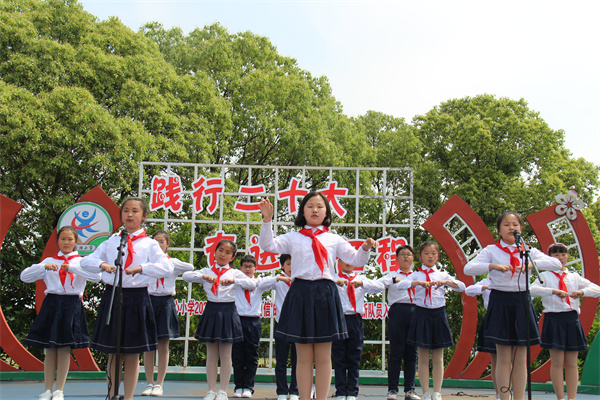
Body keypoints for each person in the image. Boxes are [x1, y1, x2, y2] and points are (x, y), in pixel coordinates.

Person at [258, 193, 378, 400]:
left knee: (323, 356)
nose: (315, 210)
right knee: (303, 356)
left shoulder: (334, 239)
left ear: (327, 212)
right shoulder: (293, 237)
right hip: (300, 293)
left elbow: (356, 259)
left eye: (320, 206)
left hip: (325, 294)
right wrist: (267, 219)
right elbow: (268, 245)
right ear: (302, 212)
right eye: (310, 206)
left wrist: (365, 248)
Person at [81, 197, 174, 400]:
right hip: (113, 295)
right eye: (125, 211)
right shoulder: (112, 241)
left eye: (134, 211)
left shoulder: (150, 244)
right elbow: (86, 262)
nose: (129, 215)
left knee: (132, 352)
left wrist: (142, 268)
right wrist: (102, 265)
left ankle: (129, 397)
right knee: (113, 351)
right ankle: (111, 395)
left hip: (137, 298)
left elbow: (167, 267)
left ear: (144, 216)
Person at [464, 211, 562, 400]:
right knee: (503, 356)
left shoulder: (528, 251)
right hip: (500, 301)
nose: (511, 228)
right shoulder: (491, 250)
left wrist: (531, 265)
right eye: (507, 225)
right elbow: (468, 268)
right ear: (499, 230)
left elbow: (556, 263)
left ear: (521, 229)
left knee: (520, 357)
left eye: (515, 225)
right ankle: (504, 397)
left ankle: (519, 397)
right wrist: (492, 266)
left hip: (521, 301)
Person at [20, 226, 101, 400]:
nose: (66, 242)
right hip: (52, 304)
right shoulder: (50, 260)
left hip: (71, 304)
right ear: (57, 241)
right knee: (50, 348)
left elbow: (96, 277)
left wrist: (73, 268)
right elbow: (24, 277)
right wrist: (44, 268)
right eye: (63, 239)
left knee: (64, 348)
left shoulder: (81, 262)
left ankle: (59, 390)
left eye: (70, 239)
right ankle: (47, 389)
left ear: (76, 242)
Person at [182, 239, 256, 400]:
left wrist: (234, 281)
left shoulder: (234, 273)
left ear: (232, 257)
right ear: (214, 252)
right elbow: (186, 276)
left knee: (226, 354)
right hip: (212, 310)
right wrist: (203, 276)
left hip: (228, 311)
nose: (223, 254)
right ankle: (211, 390)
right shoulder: (207, 270)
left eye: (228, 252)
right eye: (220, 250)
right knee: (211, 354)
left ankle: (223, 390)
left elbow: (251, 284)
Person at [530, 242, 600, 400]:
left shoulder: (573, 276)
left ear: (568, 257)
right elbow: (531, 290)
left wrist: (581, 292)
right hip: (553, 318)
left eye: (563, 254)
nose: (560, 258)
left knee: (572, 362)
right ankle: (560, 397)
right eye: (556, 255)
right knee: (557, 361)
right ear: (550, 258)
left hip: (571, 319)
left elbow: (596, 289)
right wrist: (552, 291)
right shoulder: (545, 276)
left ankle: (572, 398)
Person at [396, 241, 465, 400]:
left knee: (438, 357)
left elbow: (461, 286)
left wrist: (446, 282)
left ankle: (437, 392)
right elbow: (400, 285)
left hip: (438, 314)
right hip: (421, 314)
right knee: (423, 357)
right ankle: (426, 392)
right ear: (420, 256)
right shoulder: (416, 274)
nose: (430, 257)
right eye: (426, 253)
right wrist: (417, 283)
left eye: (433, 254)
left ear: (438, 256)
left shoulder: (442, 274)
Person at [142, 230, 194, 397]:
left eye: (161, 242)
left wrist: (169, 263)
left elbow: (190, 267)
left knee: (163, 344)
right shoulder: (146, 263)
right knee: (148, 345)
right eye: (155, 242)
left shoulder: (171, 262)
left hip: (165, 302)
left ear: (167, 244)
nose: (158, 245)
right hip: (149, 301)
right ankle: (149, 382)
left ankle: (159, 383)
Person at [232, 254, 291, 399]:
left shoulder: (258, 283)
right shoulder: (236, 282)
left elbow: (266, 281)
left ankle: (248, 387)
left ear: (255, 269)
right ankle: (238, 386)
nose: (247, 269)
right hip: (238, 320)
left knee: (251, 356)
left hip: (253, 322)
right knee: (237, 355)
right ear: (240, 268)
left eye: (250, 267)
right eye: (245, 266)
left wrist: (278, 278)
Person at [333, 259, 384, 400]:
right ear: (339, 261)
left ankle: (352, 392)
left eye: (351, 260)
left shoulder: (361, 279)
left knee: (354, 357)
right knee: (339, 357)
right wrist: (335, 283)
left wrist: (362, 284)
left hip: (355, 319)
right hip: (338, 320)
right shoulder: (334, 278)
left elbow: (379, 287)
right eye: (345, 259)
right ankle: (340, 392)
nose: (348, 263)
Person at [378, 245, 420, 400]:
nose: (406, 257)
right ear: (396, 258)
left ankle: (410, 390)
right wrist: (394, 280)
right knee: (396, 352)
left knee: (412, 353)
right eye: (402, 254)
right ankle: (392, 390)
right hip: (397, 312)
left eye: (409, 254)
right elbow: (378, 284)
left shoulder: (418, 275)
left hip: (415, 311)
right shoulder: (391, 275)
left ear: (413, 258)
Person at [464, 277, 499, 400]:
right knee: (495, 359)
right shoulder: (487, 281)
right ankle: (499, 393)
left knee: (510, 358)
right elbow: (469, 290)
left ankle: (509, 391)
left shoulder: (511, 281)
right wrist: (485, 287)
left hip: (509, 318)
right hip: (492, 319)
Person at [274, 254, 300, 400]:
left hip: (297, 325)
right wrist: (277, 278)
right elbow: (259, 284)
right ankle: (282, 391)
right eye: (288, 264)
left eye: (294, 264)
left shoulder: (301, 282)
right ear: (282, 266)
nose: (291, 267)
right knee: (281, 360)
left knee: (298, 360)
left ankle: (295, 390)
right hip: (281, 324)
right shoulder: (278, 281)